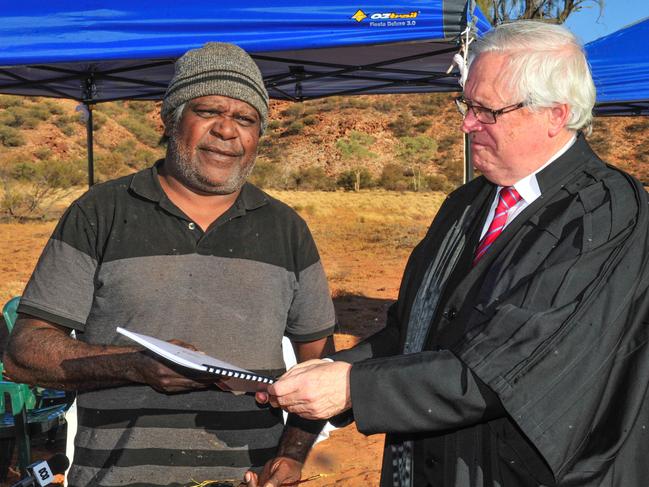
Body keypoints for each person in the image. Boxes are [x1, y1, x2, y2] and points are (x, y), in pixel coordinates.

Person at [254, 21, 649, 487]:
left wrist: (352, 388)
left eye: (486, 110)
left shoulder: (606, 212)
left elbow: (514, 363)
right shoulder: (467, 204)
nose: (466, 124)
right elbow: (411, 332)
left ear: (555, 115)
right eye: (466, 104)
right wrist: (336, 370)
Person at [3, 42, 335, 487]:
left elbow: (321, 368)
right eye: (209, 111)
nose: (226, 131)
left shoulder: (287, 229)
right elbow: (23, 356)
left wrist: (292, 455)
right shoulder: (100, 211)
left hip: (246, 476)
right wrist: (133, 365)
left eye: (245, 118)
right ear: (171, 116)